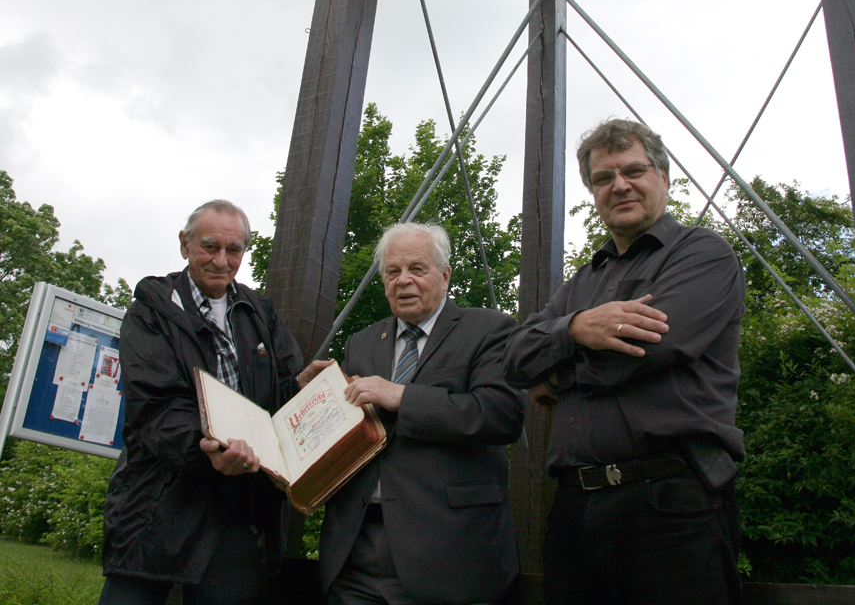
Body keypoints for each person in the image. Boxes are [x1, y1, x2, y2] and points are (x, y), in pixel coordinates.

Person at [502, 118, 747, 605]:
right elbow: (512, 358)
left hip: (669, 504)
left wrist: (556, 377)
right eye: (603, 178)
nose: (619, 186)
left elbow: (644, 352)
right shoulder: (582, 284)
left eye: (633, 171)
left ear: (663, 175)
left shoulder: (703, 255)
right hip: (573, 508)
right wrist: (575, 329)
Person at [100, 199, 324, 605]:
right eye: (210, 247)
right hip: (160, 504)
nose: (222, 261)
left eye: (234, 250)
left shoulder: (259, 312)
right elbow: (154, 407)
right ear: (185, 245)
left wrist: (302, 386)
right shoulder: (151, 311)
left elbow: (277, 399)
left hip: (239, 514)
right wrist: (207, 447)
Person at [319, 222, 524, 605]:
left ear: (445, 275)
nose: (404, 281)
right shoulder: (361, 343)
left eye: (417, 269)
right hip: (356, 555)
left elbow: (501, 414)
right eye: (393, 272)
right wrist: (315, 401)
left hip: (450, 557)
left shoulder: (490, 329)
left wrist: (403, 396)